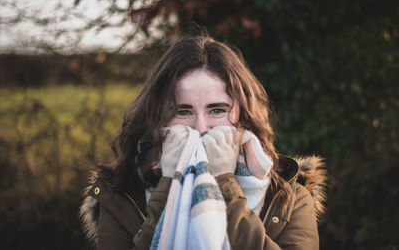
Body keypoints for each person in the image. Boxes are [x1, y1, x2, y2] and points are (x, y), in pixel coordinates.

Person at [80, 36, 326, 249]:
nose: (200, 128)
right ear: (157, 116)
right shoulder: (119, 193)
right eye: (183, 111)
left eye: (217, 110)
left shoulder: (288, 196)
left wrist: (225, 185)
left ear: (244, 115)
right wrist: (168, 184)